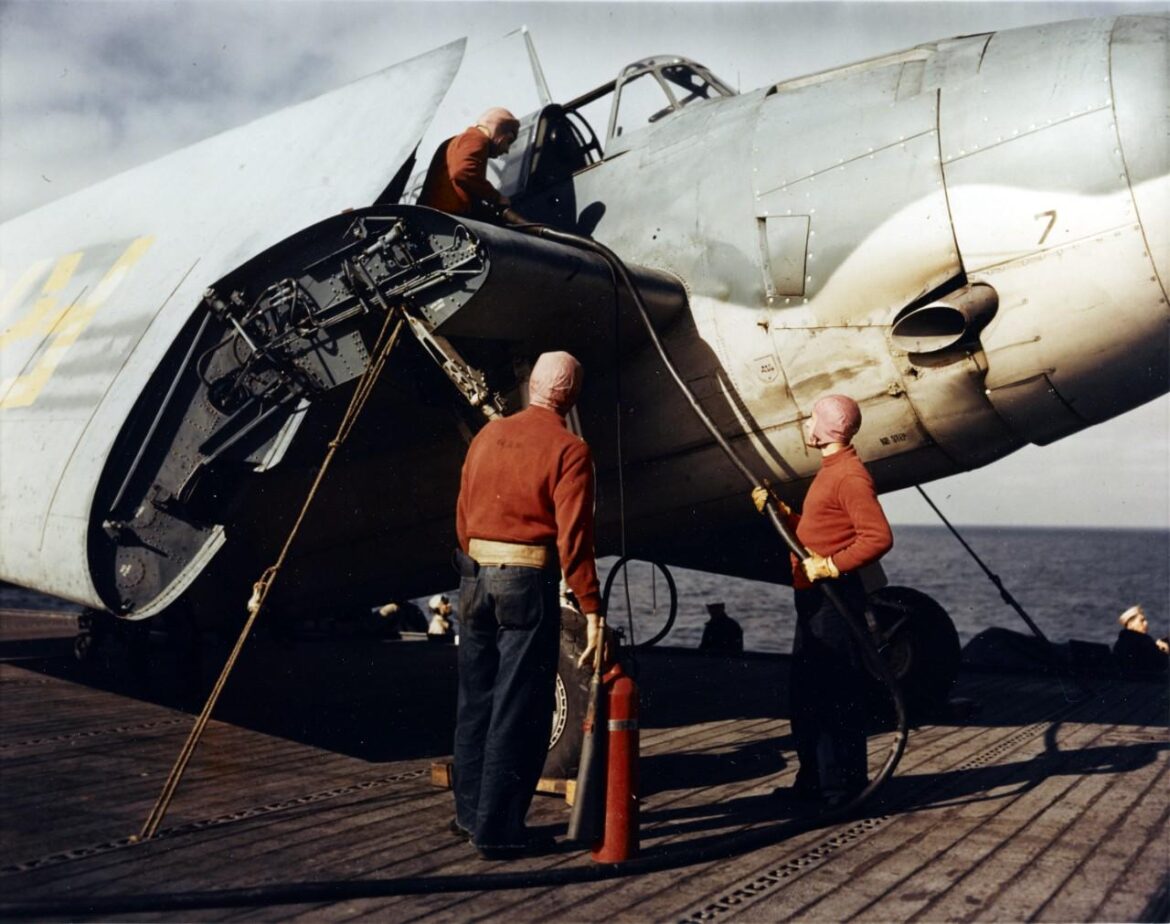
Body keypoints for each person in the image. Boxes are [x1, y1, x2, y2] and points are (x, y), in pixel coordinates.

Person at [452, 350, 603, 859]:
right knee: (517, 707)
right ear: (572, 396)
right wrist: (591, 605)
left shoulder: (487, 435)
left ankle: (469, 815)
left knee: (475, 700)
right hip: (524, 582)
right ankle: (497, 831)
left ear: (532, 385)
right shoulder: (570, 450)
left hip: (473, 576)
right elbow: (574, 540)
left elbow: (462, 514)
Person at [753, 394, 893, 805]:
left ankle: (837, 788)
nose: (807, 424)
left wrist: (832, 566)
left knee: (831, 694)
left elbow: (878, 537)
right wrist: (780, 512)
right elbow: (819, 530)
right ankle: (815, 781)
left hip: (832, 599)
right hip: (815, 599)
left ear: (828, 427)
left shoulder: (848, 476)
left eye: (812, 417)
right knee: (811, 694)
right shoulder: (831, 471)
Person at [418, 107, 525, 225]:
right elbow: (462, 172)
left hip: (433, 217)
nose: (506, 150)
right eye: (508, 141)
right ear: (498, 130)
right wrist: (497, 198)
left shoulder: (454, 142)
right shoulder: (477, 138)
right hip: (447, 219)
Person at [1113, 604, 1168, 674]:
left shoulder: (1120, 643)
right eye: (1142, 620)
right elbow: (1162, 664)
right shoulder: (1144, 641)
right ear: (1130, 624)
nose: (1146, 623)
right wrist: (1165, 651)